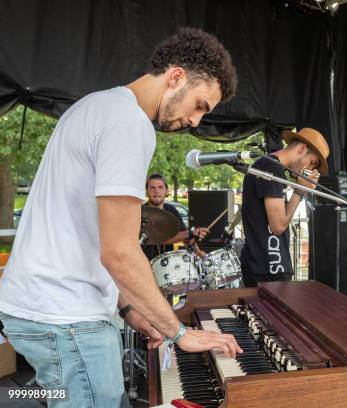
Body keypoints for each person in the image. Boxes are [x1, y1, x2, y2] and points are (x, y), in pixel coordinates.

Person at [0, 27, 242, 407]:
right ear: (176, 77)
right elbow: (119, 253)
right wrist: (180, 333)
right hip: (66, 318)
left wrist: (130, 308)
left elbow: (93, 238)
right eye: (200, 105)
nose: (197, 121)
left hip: (37, 308)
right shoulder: (129, 124)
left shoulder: (94, 106)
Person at [240, 128, 329, 287]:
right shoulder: (271, 167)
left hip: (264, 266)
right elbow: (278, 226)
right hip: (269, 268)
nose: (310, 170)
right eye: (312, 162)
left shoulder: (270, 166)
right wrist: (299, 191)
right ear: (301, 149)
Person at [141, 173, 207, 260]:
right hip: (144, 264)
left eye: (160, 187)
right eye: (152, 187)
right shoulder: (140, 213)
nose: (156, 191)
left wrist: (197, 251)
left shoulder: (171, 210)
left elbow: (185, 238)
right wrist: (189, 234)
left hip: (169, 265)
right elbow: (154, 238)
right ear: (146, 191)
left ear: (167, 191)